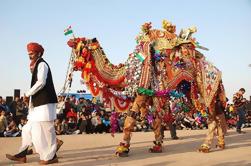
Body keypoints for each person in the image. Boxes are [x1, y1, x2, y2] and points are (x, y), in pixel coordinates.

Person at [6, 42, 59, 164]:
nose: (30, 55)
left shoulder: (42, 65)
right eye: (28, 53)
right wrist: (29, 99)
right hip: (37, 106)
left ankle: (51, 157)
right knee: (27, 129)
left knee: (45, 131)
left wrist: (27, 94)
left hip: (45, 104)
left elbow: (41, 82)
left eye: (32, 53)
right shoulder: (36, 65)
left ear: (39, 53)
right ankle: (22, 154)